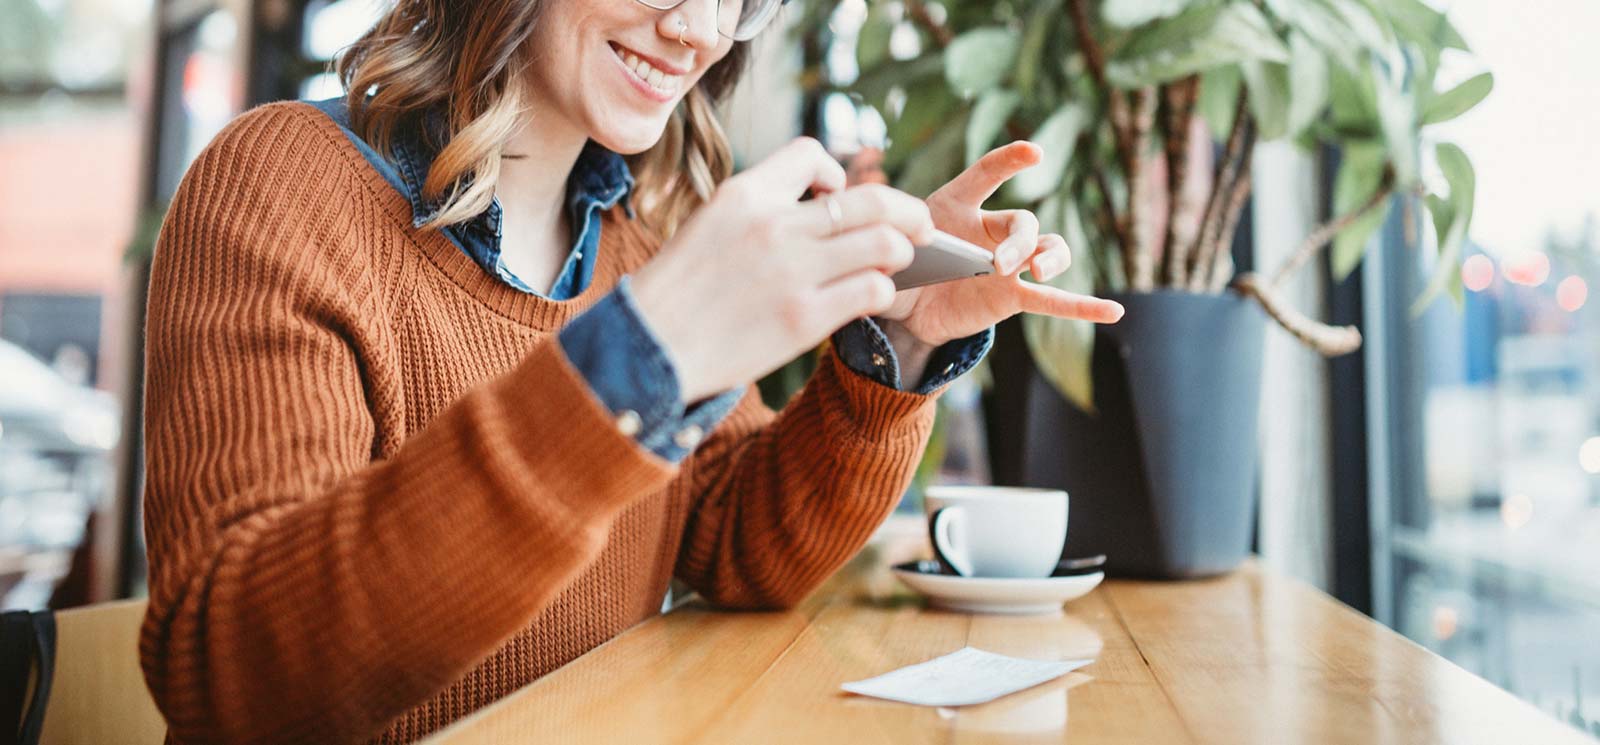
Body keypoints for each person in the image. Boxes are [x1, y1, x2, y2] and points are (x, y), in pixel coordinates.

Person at [137, 0, 1125, 742]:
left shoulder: (636, 248)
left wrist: (899, 348)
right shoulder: (282, 183)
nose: (699, 27)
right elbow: (233, 675)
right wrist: (635, 360)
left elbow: (739, 546)